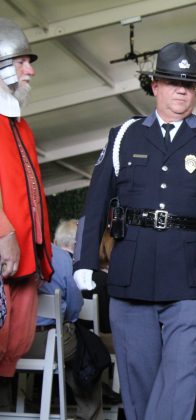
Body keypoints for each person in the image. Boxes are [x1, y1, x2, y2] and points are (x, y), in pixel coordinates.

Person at [72, 42, 196, 420]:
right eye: (173, 82)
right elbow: (94, 205)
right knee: (138, 377)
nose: (181, 90)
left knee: (179, 374)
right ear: (155, 86)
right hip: (132, 272)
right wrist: (83, 260)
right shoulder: (123, 136)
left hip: (191, 273)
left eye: (189, 84)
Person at [0, 17, 54, 399]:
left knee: (11, 347)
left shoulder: (22, 125)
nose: (30, 70)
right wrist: (4, 232)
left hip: (25, 259)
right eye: (22, 62)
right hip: (5, 249)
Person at [29, 237, 104, 420]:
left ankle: (7, 405)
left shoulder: (8, 251)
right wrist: (68, 320)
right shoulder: (61, 258)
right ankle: (89, 415)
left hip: (10, 340)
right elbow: (74, 304)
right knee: (87, 349)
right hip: (47, 341)